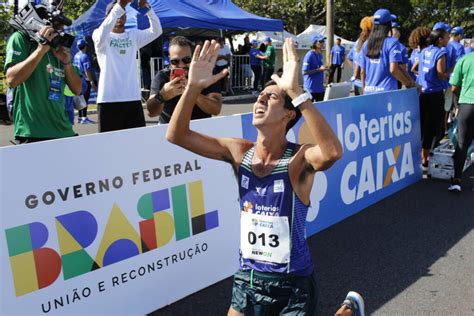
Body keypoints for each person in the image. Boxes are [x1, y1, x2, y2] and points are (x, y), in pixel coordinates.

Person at [166, 38, 343, 316]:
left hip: (292, 284)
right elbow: (176, 135)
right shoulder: (239, 152)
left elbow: (332, 152)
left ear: (288, 114)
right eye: (260, 95)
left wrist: (297, 92)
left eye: (271, 96)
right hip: (248, 280)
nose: (260, 98)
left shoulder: (298, 160)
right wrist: (192, 87)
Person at [5, 13, 82, 143]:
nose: (60, 29)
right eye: (57, 24)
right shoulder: (21, 38)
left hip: (63, 131)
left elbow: (77, 89)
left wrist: (67, 63)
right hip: (32, 132)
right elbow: (12, 80)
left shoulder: (59, 46)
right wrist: (40, 51)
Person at [92, 0, 162, 132]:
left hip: (132, 98)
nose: (119, 16)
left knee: (136, 144)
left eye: (122, 13)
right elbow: (102, 32)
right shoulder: (100, 36)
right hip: (108, 100)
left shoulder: (133, 36)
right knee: (109, 144)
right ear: (107, 17)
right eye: (115, 13)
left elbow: (157, 31)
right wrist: (120, 6)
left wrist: (147, 9)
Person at [146, 36, 222, 124]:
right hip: (168, 127)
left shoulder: (205, 74)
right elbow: (151, 113)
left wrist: (192, 91)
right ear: (169, 59)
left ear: (194, 57)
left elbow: (216, 109)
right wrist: (163, 95)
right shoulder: (162, 76)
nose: (181, 65)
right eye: (175, 61)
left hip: (200, 127)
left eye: (186, 60)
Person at [412, 28, 450, 170]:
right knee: (435, 127)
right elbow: (440, 74)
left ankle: (422, 158)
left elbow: (415, 68)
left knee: (423, 125)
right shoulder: (441, 52)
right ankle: (427, 158)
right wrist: (451, 71)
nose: (448, 39)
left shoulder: (423, 51)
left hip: (423, 92)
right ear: (439, 39)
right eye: (446, 37)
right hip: (435, 94)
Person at [359, 9, 416, 94]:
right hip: (387, 92)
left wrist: (364, 91)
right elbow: (394, 69)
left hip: (368, 92)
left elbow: (362, 71)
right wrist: (409, 84)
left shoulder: (366, 44)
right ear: (388, 25)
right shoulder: (392, 43)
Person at [448, 52, 474, 192]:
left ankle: (456, 181)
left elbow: (453, 87)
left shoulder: (464, 59)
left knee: (462, 143)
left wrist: (456, 106)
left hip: (467, 105)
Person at [347, 16, 373, 96]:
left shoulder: (357, 42)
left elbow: (349, 58)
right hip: (365, 84)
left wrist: (355, 70)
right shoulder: (368, 44)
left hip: (357, 82)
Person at [73, 39, 97, 124]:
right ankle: (84, 117)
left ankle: (80, 117)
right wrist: (91, 81)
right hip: (85, 80)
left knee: (80, 98)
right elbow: (86, 70)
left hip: (78, 79)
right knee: (85, 99)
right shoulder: (85, 56)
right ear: (85, 46)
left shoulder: (76, 55)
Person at [302, 34, 328, 101]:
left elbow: (319, 68)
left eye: (323, 41)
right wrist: (319, 69)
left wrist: (324, 68)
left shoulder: (320, 54)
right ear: (315, 43)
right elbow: (304, 72)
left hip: (319, 89)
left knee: (321, 108)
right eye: (320, 41)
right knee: (309, 111)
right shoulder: (309, 55)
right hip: (310, 89)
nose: (323, 43)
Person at [391, 22, 410, 89]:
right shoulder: (402, 47)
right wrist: (408, 83)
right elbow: (403, 68)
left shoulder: (380, 45)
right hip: (396, 81)